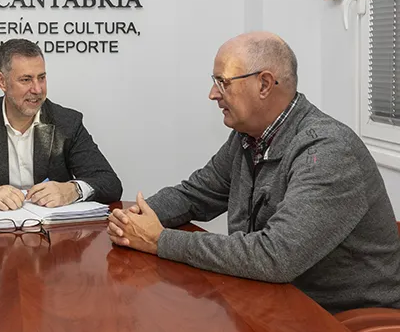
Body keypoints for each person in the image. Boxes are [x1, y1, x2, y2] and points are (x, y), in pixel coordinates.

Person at [108, 31, 400, 314]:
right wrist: (131, 220)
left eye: (223, 82)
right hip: (273, 303)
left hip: (345, 326)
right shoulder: (248, 137)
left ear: (264, 84)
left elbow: (276, 256)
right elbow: (195, 194)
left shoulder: (328, 150)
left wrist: (159, 240)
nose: (213, 94)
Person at [0, 38, 122, 210]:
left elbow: (109, 182)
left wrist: (72, 190)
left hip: (54, 241)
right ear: (2, 81)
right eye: (26, 79)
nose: (37, 89)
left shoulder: (67, 122)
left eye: (42, 78)